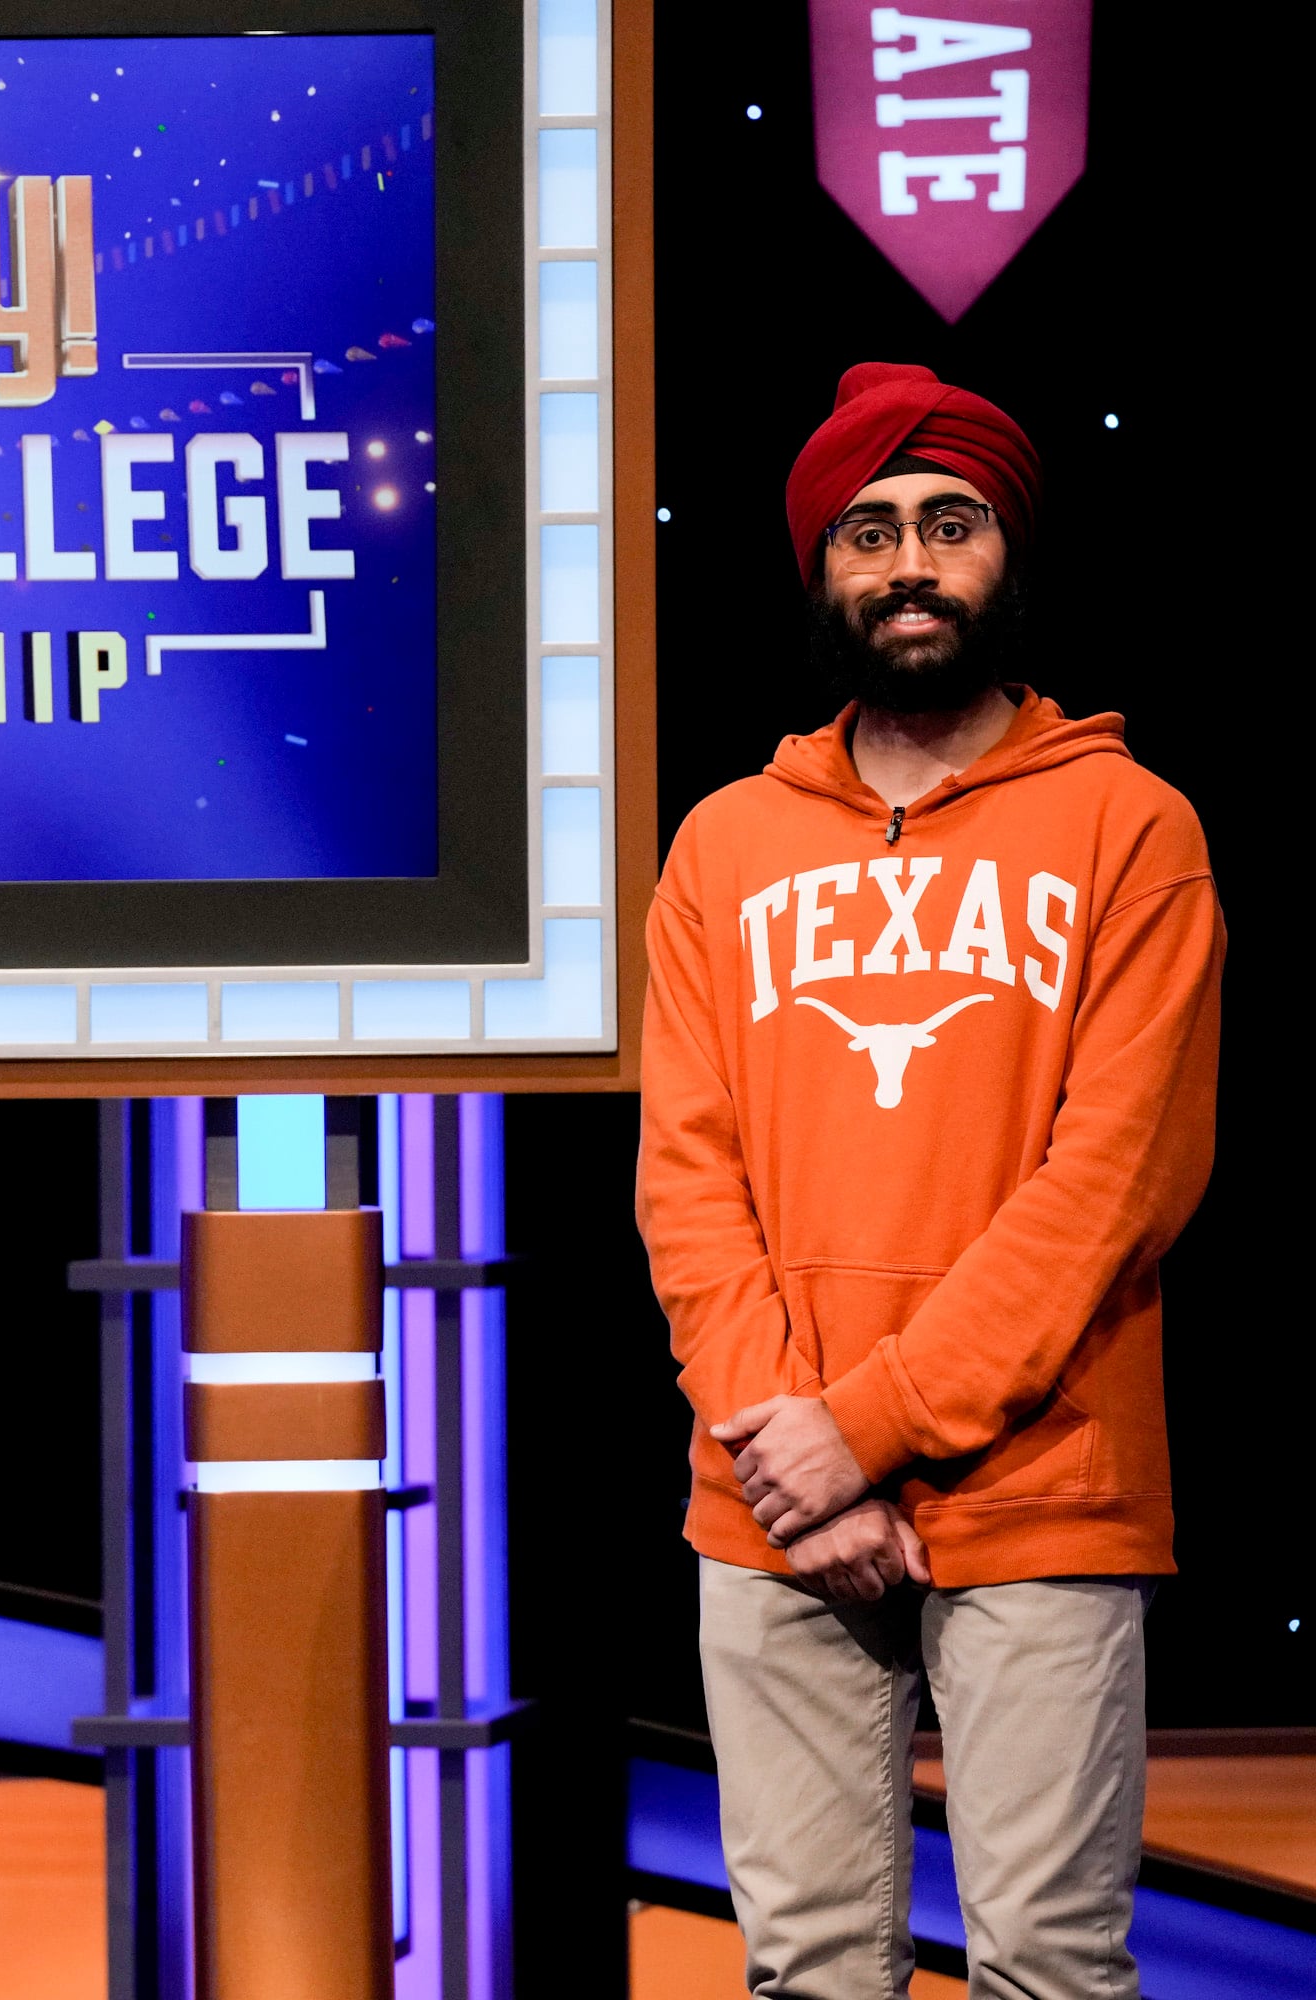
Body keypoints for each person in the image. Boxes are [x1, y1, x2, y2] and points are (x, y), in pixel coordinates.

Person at [635, 364, 1223, 1998]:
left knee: (1048, 1967)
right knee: (808, 1969)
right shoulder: (724, 845)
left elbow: (1117, 1183)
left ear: (1007, 553)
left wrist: (870, 1429)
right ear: (821, 569)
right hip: (773, 1495)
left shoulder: (1132, 829)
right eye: (869, 531)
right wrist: (795, 1456)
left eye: (950, 524)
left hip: (1043, 1486)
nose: (910, 564)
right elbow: (688, 1177)